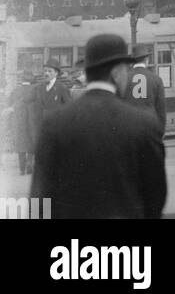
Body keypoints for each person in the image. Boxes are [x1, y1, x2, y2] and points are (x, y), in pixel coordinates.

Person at [30, 33, 166, 219]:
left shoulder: (53, 123)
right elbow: (155, 197)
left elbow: (39, 199)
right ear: (116, 73)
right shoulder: (144, 124)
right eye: (126, 70)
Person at [124, 45, 167, 135]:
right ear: (146, 59)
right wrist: (161, 132)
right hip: (149, 127)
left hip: (129, 127)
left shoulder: (124, 79)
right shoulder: (156, 79)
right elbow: (161, 109)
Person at [12, 73, 37, 175]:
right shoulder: (35, 89)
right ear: (31, 80)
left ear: (22, 80)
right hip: (32, 121)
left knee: (21, 144)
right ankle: (30, 164)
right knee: (31, 142)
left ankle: (22, 169)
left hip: (19, 122)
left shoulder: (16, 90)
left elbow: (10, 103)